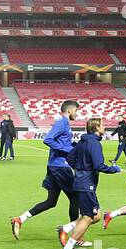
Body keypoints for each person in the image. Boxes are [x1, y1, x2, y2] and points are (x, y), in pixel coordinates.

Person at [10, 100, 78, 239]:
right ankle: (75, 237)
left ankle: (20, 219)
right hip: (60, 167)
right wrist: (69, 150)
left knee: (51, 201)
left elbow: (62, 141)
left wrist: (75, 145)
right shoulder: (62, 123)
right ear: (70, 110)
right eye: (76, 110)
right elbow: (48, 139)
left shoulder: (64, 123)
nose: (77, 113)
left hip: (55, 166)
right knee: (75, 198)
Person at [59, 118, 120, 249]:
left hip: (82, 182)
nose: (104, 127)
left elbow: (70, 159)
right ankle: (68, 248)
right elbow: (99, 165)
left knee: (97, 215)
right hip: (87, 184)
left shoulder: (83, 142)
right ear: (97, 128)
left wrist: (80, 170)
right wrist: (113, 169)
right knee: (88, 217)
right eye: (103, 125)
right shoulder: (94, 143)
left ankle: (66, 228)